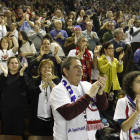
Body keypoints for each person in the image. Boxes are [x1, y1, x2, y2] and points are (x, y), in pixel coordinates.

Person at [50, 56, 108, 140]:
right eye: (76, 67)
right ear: (66, 71)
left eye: (81, 67)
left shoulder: (87, 85)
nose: (80, 70)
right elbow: (68, 113)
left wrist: (100, 93)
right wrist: (89, 95)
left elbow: (103, 107)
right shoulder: (58, 90)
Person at [28, 59, 60, 136]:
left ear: (52, 70)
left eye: (49, 67)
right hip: (37, 119)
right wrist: (43, 86)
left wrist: (50, 82)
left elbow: (60, 94)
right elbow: (30, 93)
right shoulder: (35, 80)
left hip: (52, 120)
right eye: (44, 67)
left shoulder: (56, 80)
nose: (46, 69)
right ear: (40, 69)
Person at [0, 56, 29, 137]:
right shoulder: (3, 75)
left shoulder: (23, 75)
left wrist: (21, 74)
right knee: (7, 132)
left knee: (19, 132)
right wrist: (5, 76)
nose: (14, 65)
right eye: (11, 63)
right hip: (6, 109)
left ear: (19, 65)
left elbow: (26, 88)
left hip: (19, 109)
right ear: (8, 65)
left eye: (16, 63)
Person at [97, 42, 124, 110]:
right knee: (104, 103)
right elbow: (102, 70)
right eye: (110, 48)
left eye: (113, 48)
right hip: (104, 85)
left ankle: (110, 117)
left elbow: (119, 70)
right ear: (105, 49)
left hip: (113, 85)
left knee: (111, 103)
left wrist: (120, 61)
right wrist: (110, 62)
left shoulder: (115, 60)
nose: (112, 49)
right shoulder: (100, 60)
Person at [114, 71, 140, 140]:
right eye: (138, 82)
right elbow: (124, 128)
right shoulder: (122, 102)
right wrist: (137, 112)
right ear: (130, 85)